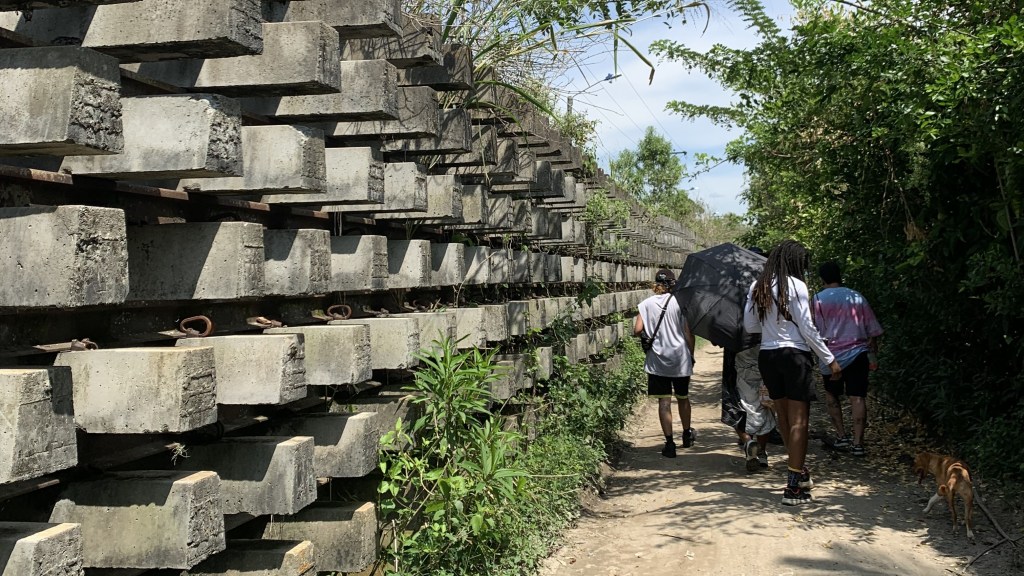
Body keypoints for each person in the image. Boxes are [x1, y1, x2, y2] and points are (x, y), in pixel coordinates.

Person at [743, 240, 841, 505]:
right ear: (794, 262)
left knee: (784, 418)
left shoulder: (758, 286)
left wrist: (771, 325)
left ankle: (799, 471)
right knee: (800, 421)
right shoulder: (796, 286)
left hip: (768, 355)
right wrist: (829, 359)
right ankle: (793, 487)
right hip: (794, 355)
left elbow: (750, 325)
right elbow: (807, 328)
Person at [813, 261, 883, 457]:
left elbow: (812, 328)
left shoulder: (817, 300)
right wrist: (873, 348)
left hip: (830, 356)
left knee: (831, 394)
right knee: (857, 397)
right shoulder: (856, 296)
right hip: (857, 353)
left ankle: (841, 435)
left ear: (822, 278)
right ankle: (858, 443)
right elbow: (872, 329)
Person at [634, 268, 696, 458]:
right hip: (680, 358)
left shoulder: (646, 304)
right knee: (683, 397)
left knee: (664, 401)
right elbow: (688, 333)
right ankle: (687, 434)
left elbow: (637, 330)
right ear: (673, 283)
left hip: (657, 360)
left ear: (656, 284)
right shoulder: (680, 303)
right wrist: (691, 355)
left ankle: (669, 444)